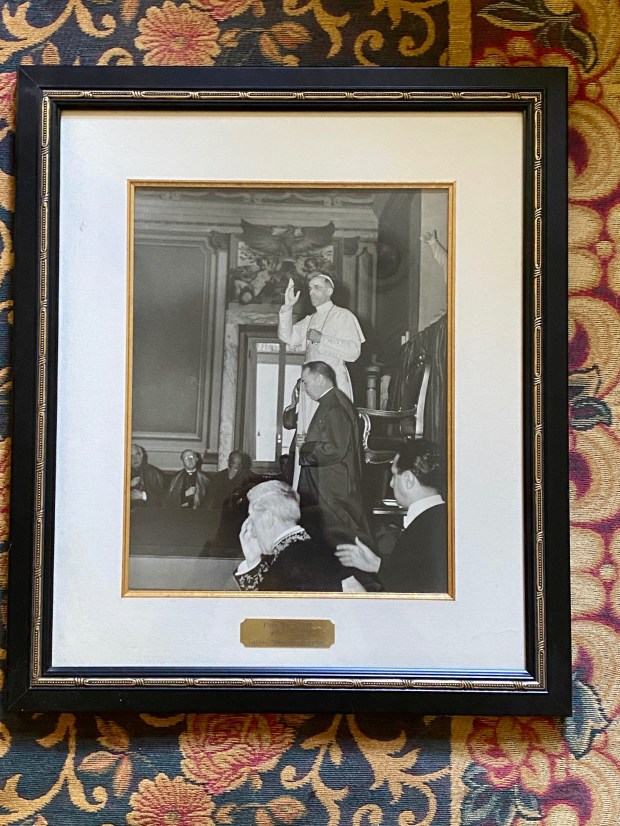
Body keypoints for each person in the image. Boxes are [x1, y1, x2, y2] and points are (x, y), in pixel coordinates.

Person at [278, 273, 365, 486]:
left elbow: (353, 353)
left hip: (334, 388)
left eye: (317, 287)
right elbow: (287, 337)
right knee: (306, 437)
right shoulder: (310, 319)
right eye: (310, 288)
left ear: (329, 291)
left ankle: (330, 489)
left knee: (332, 439)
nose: (312, 292)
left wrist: (322, 339)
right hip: (310, 390)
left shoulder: (344, 316)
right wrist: (287, 307)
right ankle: (306, 490)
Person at [335, 440, 448, 593]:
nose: (391, 483)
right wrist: (377, 565)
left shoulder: (424, 529)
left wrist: (365, 598)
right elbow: (415, 578)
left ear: (408, 479)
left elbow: (418, 598)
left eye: (394, 475)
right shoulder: (440, 519)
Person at [297, 361, 373, 550]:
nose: (304, 388)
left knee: (345, 538)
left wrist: (306, 447)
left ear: (320, 379)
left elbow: (335, 449)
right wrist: (309, 440)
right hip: (331, 480)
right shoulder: (332, 402)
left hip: (333, 485)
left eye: (306, 382)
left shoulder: (334, 406)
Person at [234, 480, 345, 592]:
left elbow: (261, 602)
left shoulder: (284, 567)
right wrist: (253, 561)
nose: (253, 532)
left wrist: (253, 565)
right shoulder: (324, 550)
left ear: (268, 518)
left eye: (252, 521)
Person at [206, 451, 260, 551]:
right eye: (233, 463)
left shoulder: (251, 478)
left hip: (241, 520)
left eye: (239, 464)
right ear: (228, 462)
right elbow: (211, 499)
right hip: (220, 519)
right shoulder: (218, 477)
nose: (236, 467)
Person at [129, 444, 164, 508]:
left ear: (142, 455)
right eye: (131, 456)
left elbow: (164, 499)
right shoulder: (121, 473)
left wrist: (143, 496)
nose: (135, 458)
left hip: (149, 512)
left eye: (137, 454)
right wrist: (129, 485)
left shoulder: (154, 473)